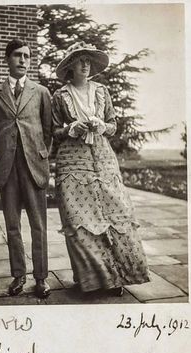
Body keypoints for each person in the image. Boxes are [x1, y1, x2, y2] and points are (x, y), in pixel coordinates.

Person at [52, 41, 150, 295]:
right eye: (80, 60)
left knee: (115, 214)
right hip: (73, 162)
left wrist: (101, 126)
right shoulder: (60, 95)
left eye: (88, 61)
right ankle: (93, 281)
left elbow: (113, 124)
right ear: (71, 65)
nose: (85, 64)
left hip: (103, 159)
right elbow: (54, 131)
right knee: (81, 221)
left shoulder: (101, 91)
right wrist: (71, 128)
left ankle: (115, 278)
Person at [0, 39, 52, 298]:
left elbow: (47, 130)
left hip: (33, 165)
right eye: (17, 55)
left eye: (26, 56)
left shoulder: (41, 92)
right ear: (7, 59)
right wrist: (4, 154)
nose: (22, 60)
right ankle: (18, 276)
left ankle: (41, 278)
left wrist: (40, 153)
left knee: (39, 225)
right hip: (7, 168)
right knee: (12, 226)